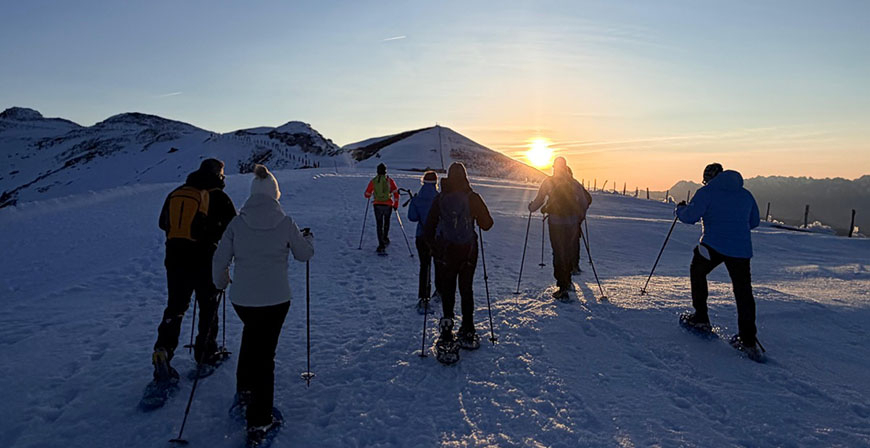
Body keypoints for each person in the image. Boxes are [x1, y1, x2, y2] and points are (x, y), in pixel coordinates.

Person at [212, 164, 314, 441]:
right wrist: (308, 240)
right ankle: (259, 420)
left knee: (251, 338)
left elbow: (220, 259)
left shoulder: (237, 222)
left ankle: (244, 392)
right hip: (276, 300)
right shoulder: (285, 222)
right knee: (264, 355)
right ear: (274, 193)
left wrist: (221, 282)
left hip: (243, 300)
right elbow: (304, 255)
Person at [152, 158, 236, 381]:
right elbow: (233, 227)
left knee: (176, 307)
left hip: (175, 258)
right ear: (218, 175)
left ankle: (163, 351)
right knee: (208, 306)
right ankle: (206, 353)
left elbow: (163, 223)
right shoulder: (218, 195)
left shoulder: (179, 192)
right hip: (205, 259)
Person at [676, 163, 762, 355]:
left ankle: (701, 317)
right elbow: (754, 221)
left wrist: (679, 210)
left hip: (713, 245)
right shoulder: (745, 194)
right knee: (743, 291)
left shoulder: (707, 192)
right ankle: (748, 340)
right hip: (741, 249)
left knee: (698, 272)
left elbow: (690, 217)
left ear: (708, 177)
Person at [423, 162, 493, 357]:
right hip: (468, 251)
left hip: (446, 252)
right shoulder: (472, 197)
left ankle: (447, 329)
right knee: (466, 288)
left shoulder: (440, 198)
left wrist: (434, 248)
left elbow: (429, 227)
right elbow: (487, 224)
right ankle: (468, 328)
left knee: (448, 290)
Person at [528, 157, 590, 299]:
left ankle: (562, 286)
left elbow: (539, 200)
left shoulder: (548, 182)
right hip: (572, 223)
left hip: (555, 223)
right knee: (568, 251)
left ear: (554, 167)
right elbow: (584, 201)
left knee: (558, 252)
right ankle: (567, 282)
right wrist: (580, 217)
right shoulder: (573, 183)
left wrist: (532, 207)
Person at [407, 171, 439, 310]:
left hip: (421, 236)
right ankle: (440, 291)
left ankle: (423, 297)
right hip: (437, 238)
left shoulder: (417, 199)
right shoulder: (440, 198)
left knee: (424, 266)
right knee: (439, 265)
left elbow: (412, 217)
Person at [364, 163, 399, 253]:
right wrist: (396, 204)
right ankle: (385, 238)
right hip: (388, 205)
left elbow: (367, 194)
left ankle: (381, 244)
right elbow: (396, 193)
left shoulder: (374, 181)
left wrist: (371, 194)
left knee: (379, 224)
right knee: (386, 222)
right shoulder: (389, 181)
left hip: (377, 205)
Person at [566, 166, 592, 275]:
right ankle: (574, 266)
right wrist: (581, 212)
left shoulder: (568, 184)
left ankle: (570, 267)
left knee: (566, 243)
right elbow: (588, 198)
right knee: (574, 242)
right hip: (576, 218)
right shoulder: (576, 184)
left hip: (568, 219)